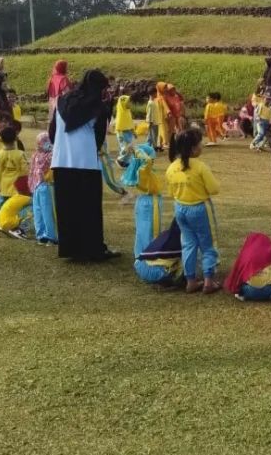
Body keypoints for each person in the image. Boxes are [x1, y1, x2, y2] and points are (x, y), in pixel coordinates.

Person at [49, 69, 119, 262]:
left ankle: (70, 248)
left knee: (67, 208)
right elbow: (99, 136)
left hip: (62, 160)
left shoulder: (62, 101)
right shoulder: (97, 107)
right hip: (86, 161)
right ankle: (92, 248)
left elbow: (52, 130)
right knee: (88, 209)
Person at [166, 128, 221, 294]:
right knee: (208, 244)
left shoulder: (172, 168)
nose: (202, 146)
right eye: (199, 143)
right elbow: (214, 189)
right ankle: (208, 281)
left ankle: (190, 280)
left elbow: (171, 192)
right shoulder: (200, 167)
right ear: (193, 149)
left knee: (188, 244)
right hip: (199, 209)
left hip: (180, 208)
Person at [121, 142, 162, 273]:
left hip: (142, 201)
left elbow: (121, 159)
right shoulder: (144, 169)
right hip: (151, 201)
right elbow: (148, 160)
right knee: (152, 230)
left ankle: (139, 254)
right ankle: (150, 256)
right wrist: (138, 151)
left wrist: (134, 151)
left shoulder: (140, 170)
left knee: (142, 229)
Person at [224, 232, 271, 302]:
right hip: (269, 289)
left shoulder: (246, 258)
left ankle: (242, 295)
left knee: (243, 288)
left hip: (249, 289)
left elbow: (238, 275)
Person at [29, 132, 57, 246]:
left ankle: (51, 236)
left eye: (47, 142)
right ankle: (41, 235)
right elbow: (31, 170)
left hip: (46, 186)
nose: (44, 144)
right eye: (41, 142)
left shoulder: (51, 155)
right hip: (37, 186)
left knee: (47, 212)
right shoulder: (35, 155)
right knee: (37, 211)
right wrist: (31, 185)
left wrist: (53, 149)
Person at [0, 125, 29, 216]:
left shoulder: (0, 154)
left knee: (2, 204)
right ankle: (15, 221)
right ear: (16, 138)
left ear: (0, 140)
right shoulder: (20, 154)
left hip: (4, 185)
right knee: (16, 206)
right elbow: (25, 171)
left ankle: (1, 220)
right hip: (17, 187)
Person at [114, 94, 135, 160]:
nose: (130, 104)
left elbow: (130, 122)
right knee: (125, 148)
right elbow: (119, 125)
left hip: (129, 132)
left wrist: (133, 132)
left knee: (131, 147)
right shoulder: (121, 114)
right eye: (128, 102)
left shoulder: (128, 112)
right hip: (122, 132)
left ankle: (127, 161)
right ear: (123, 103)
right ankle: (120, 160)